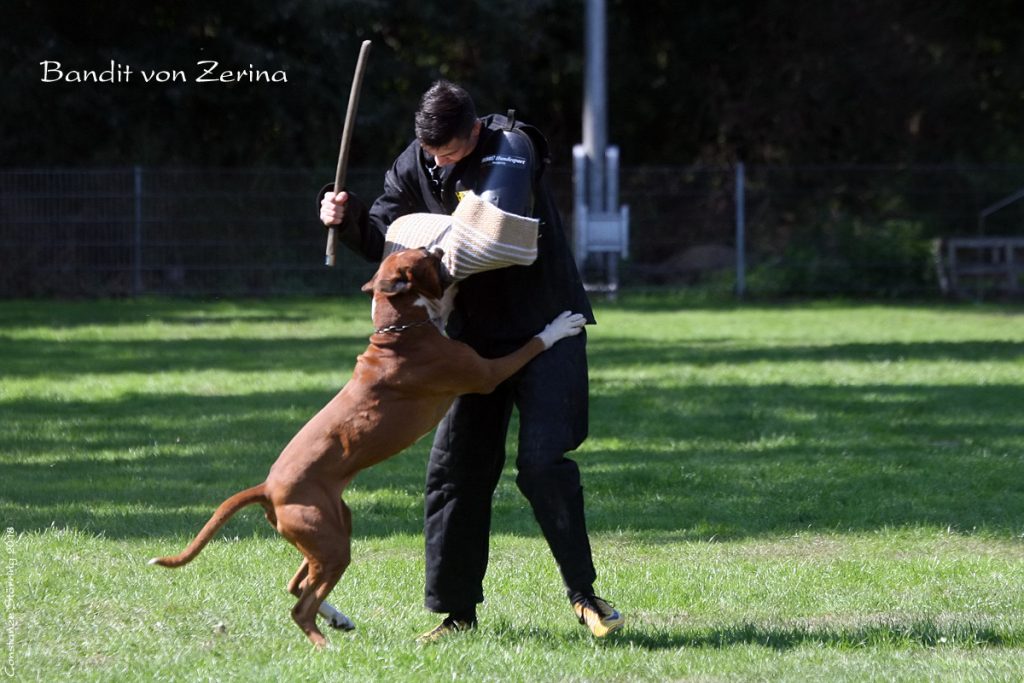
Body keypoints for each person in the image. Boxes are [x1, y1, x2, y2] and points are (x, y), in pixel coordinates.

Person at [318, 80, 623, 641]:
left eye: (450, 152)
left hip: (545, 325)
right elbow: (390, 242)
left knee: (541, 466)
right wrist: (350, 218)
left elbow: (489, 234)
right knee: (453, 473)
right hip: (471, 341)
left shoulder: (512, 147)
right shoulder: (418, 160)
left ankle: (585, 595)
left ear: (475, 131)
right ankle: (457, 615)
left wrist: (424, 247)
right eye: (430, 152)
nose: (437, 162)